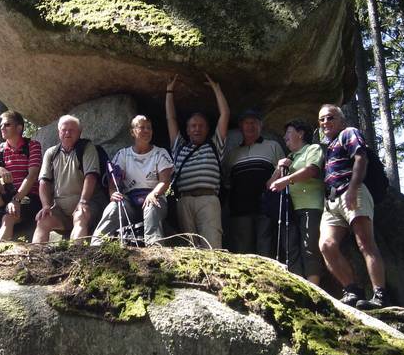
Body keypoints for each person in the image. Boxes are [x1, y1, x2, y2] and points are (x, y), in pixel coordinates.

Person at [316, 104, 387, 309]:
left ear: (341, 120)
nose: (325, 123)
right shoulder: (328, 147)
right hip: (332, 201)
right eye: (321, 120)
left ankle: (380, 295)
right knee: (326, 245)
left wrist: (354, 187)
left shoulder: (349, 133)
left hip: (352, 190)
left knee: (365, 243)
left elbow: (360, 157)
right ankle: (352, 290)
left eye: (330, 118)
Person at [166, 74, 229, 249]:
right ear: (187, 130)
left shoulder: (215, 145)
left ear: (208, 129)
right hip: (184, 200)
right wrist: (169, 91)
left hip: (208, 198)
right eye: (193, 126)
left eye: (201, 125)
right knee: (189, 248)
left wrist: (216, 89)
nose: (197, 129)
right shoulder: (179, 147)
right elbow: (170, 119)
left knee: (212, 245)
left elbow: (224, 114)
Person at [91, 115, 174, 246]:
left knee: (151, 205)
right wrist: (112, 192)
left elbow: (165, 180)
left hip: (154, 196)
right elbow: (113, 178)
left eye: (149, 128)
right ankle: (96, 244)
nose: (146, 131)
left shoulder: (160, 153)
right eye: (142, 127)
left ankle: (155, 248)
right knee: (114, 206)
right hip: (130, 199)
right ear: (132, 132)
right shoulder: (123, 154)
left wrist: (154, 194)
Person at [267, 120, 326, 285]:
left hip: (310, 206)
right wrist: (279, 169)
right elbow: (269, 185)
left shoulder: (312, 149)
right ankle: (299, 284)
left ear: (300, 134)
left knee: (309, 247)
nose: (285, 137)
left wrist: (287, 179)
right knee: (290, 248)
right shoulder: (288, 158)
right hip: (289, 210)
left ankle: (314, 289)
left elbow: (312, 170)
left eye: (288, 132)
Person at [32, 115, 106, 243]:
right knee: (43, 220)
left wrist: (83, 201)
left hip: (88, 204)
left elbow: (91, 176)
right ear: (59, 131)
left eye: (72, 130)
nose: (67, 133)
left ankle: (75, 257)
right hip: (60, 210)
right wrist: (46, 206)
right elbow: (44, 181)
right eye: (64, 129)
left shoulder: (86, 148)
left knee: (80, 216)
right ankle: (35, 259)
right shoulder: (51, 153)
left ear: (79, 132)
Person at [0, 110, 41, 240]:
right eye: (1, 126)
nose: (2, 128)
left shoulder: (33, 146)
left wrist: (16, 200)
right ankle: (0, 209)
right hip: (5, 198)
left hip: (27, 197)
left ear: (19, 127)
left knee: (8, 218)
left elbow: (32, 176)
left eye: (7, 125)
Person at [224, 110, 285, 255]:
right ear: (241, 126)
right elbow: (227, 182)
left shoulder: (273, 146)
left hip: (265, 207)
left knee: (265, 247)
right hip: (240, 209)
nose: (250, 126)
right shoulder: (232, 154)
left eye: (254, 123)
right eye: (246, 123)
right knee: (242, 249)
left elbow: (284, 172)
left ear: (260, 126)